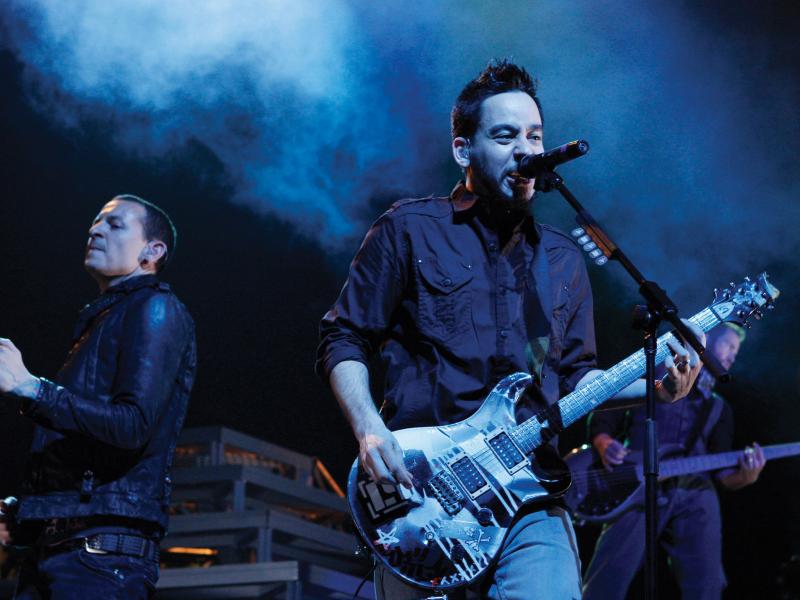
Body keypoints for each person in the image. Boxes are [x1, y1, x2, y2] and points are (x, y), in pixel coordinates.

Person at [316, 59, 704, 599]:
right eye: (504, 136)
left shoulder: (563, 260)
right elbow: (344, 337)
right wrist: (368, 428)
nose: (525, 149)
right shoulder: (409, 229)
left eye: (534, 136)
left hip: (530, 493)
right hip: (422, 491)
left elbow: (577, 379)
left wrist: (656, 390)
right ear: (463, 150)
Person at [0, 195, 197, 598]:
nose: (95, 230)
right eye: (95, 222)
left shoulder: (156, 308)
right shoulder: (104, 320)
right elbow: (90, 453)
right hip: (63, 554)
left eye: (115, 224)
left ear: (152, 251)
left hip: (99, 561)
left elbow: (132, 425)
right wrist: (26, 514)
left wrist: (33, 388)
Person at [582, 323, 764, 599]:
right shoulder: (656, 379)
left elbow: (723, 475)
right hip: (638, 483)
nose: (732, 356)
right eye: (728, 345)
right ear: (707, 340)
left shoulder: (719, 408)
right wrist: (603, 442)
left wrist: (745, 477)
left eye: (736, 352)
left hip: (694, 491)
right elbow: (604, 415)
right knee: (609, 576)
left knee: (707, 584)